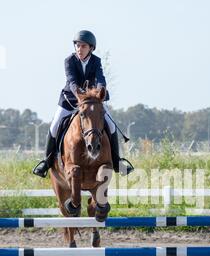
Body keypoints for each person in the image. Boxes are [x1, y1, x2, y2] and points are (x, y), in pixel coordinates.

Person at [33, 30, 134, 177]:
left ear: (91, 48)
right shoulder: (69, 61)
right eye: (77, 46)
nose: (79, 49)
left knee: (111, 125)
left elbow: (100, 79)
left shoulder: (96, 61)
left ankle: (117, 162)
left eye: (83, 46)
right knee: (54, 126)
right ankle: (46, 162)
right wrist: (80, 94)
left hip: (92, 101)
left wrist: (100, 91)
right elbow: (72, 82)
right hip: (70, 100)